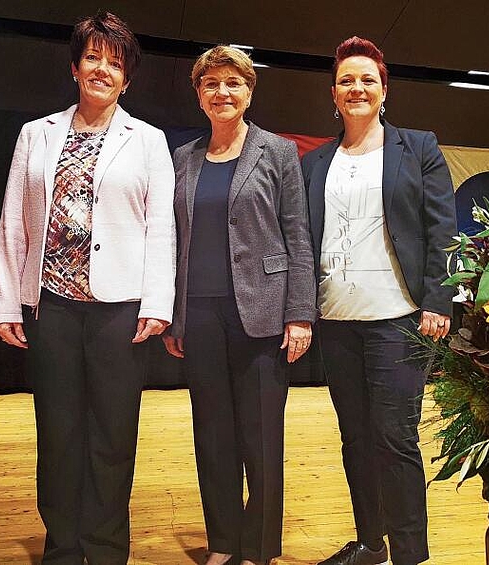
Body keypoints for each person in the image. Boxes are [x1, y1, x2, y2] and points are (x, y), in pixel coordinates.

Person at [0, 12, 175, 564]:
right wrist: (6, 301)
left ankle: (107, 546)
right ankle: (64, 547)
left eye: (115, 63)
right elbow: (14, 222)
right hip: (54, 308)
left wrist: (157, 301)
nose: (103, 69)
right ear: (75, 67)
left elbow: (161, 226)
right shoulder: (37, 134)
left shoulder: (148, 141)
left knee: (113, 436)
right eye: (93, 57)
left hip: (120, 310)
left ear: (127, 79)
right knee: (60, 433)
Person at [301, 36, 457, 565]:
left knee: (394, 439)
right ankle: (371, 543)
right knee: (355, 439)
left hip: (398, 319)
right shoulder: (317, 161)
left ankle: (410, 553)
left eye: (368, 79)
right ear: (334, 93)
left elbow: (443, 229)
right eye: (347, 80)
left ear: (384, 90)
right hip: (337, 318)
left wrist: (438, 299)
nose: (357, 87)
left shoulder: (418, 147)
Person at [162, 46, 317, 565]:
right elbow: (172, 241)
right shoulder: (183, 158)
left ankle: (259, 547)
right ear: (198, 93)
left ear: (249, 92)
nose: (221, 92)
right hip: (200, 315)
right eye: (211, 84)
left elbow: (297, 235)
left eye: (232, 83)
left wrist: (300, 313)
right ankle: (224, 542)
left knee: (260, 437)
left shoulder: (276, 152)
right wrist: (175, 315)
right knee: (212, 435)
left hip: (264, 314)